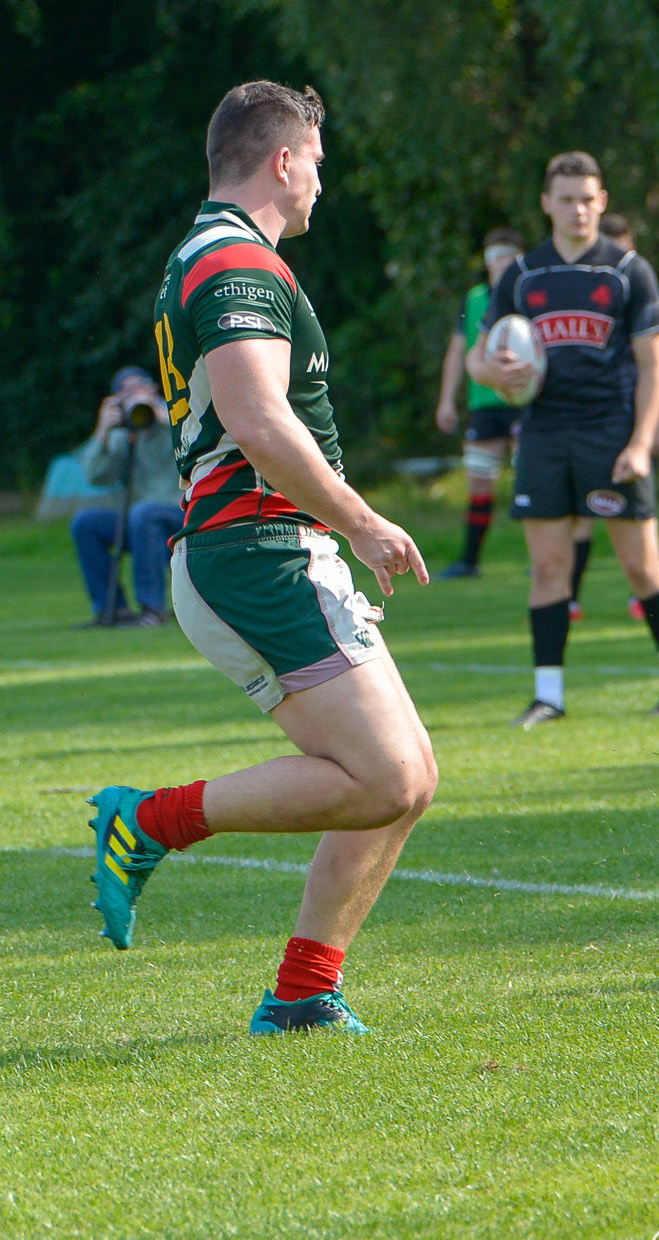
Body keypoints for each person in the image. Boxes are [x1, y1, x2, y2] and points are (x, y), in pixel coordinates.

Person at [87, 81, 437, 1036]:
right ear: (283, 161)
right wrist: (362, 520)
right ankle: (147, 821)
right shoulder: (235, 259)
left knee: (404, 780)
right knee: (388, 778)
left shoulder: (215, 255)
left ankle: (302, 994)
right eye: (317, 163)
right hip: (258, 550)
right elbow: (258, 419)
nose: (323, 184)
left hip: (263, 550)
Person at [467, 151, 659, 725]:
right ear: (547, 204)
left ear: (603, 201)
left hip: (610, 434)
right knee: (549, 569)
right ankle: (549, 696)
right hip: (543, 434)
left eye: (587, 199)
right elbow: (478, 355)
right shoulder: (522, 276)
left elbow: (655, 365)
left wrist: (641, 442)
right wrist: (494, 373)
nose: (578, 209)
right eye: (566, 199)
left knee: (641, 565)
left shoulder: (627, 271)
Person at [596, 214, 659, 622]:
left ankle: (643, 592)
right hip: (588, 428)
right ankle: (572, 601)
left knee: (637, 527)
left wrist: (657, 427)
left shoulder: (641, 287)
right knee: (574, 527)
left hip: (631, 427)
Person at [435, 227, 526, 578]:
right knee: (478, 481)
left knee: (532, 482)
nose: (500, 262)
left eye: (507, 254)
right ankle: (470, 561)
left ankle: (544, 558)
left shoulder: (529, 293)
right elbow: (458, 350)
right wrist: (446, 400)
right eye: (494, 256)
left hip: (522, 400)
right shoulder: (474, 299)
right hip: (484, 404)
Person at [70, 367, 181, 625]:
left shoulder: (175, 416)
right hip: (143, 522)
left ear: (153, 390)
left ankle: (153, 610)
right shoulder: (125, 434)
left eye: (138, 389)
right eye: (125, 393)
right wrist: (103, 430)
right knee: (86, 522)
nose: (134, 397)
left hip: (184, 514)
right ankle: (112, 609)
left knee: (143, 513)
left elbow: (198, 433)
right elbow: (96, 477)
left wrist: (157, 414)